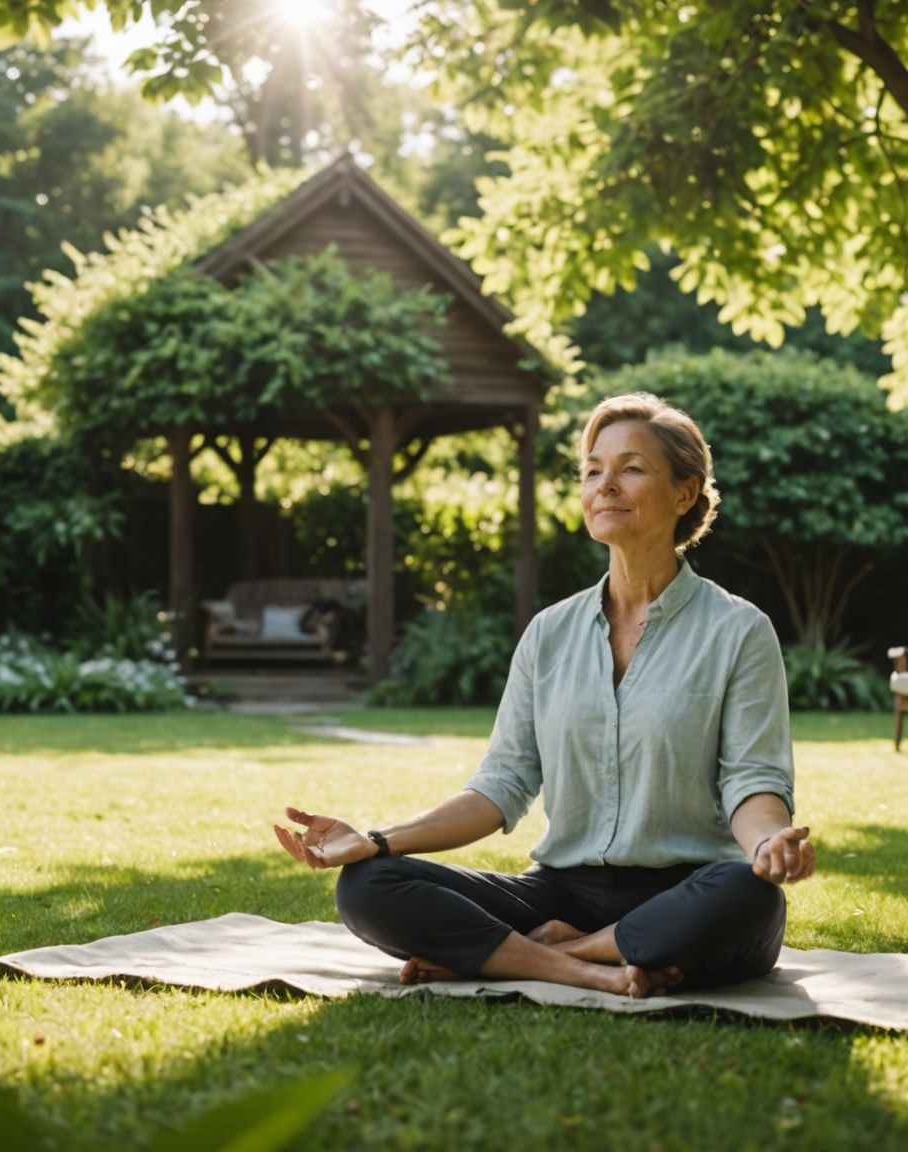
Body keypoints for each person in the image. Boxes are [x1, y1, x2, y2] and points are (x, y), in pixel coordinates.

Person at [274, 392, 815, 999]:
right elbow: (500, 787)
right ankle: (587, 966)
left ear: (685, 494)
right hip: (558, 892)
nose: (604, 485)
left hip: (683, 892)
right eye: (592, 470)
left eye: (631, 468)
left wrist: (768, 844)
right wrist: (376, 841)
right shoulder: (549, 632)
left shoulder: (738, 629)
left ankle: (539, 954)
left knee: (747, 895)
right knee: (366, 886)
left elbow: (753, 782)